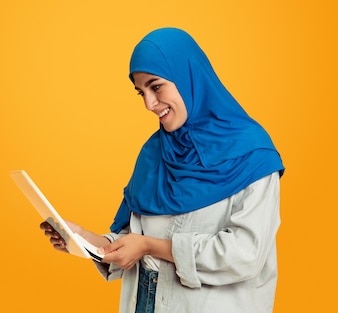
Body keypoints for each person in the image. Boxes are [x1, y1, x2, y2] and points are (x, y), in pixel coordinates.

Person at [40, 28, 285, 313]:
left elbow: (244, 255)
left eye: (156, 87)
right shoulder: (154, 154)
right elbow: (132, 240)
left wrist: (149, 246)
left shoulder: (252, 153)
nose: (148, 104)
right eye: (140, 92)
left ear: (187, 76)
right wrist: (86, 239)